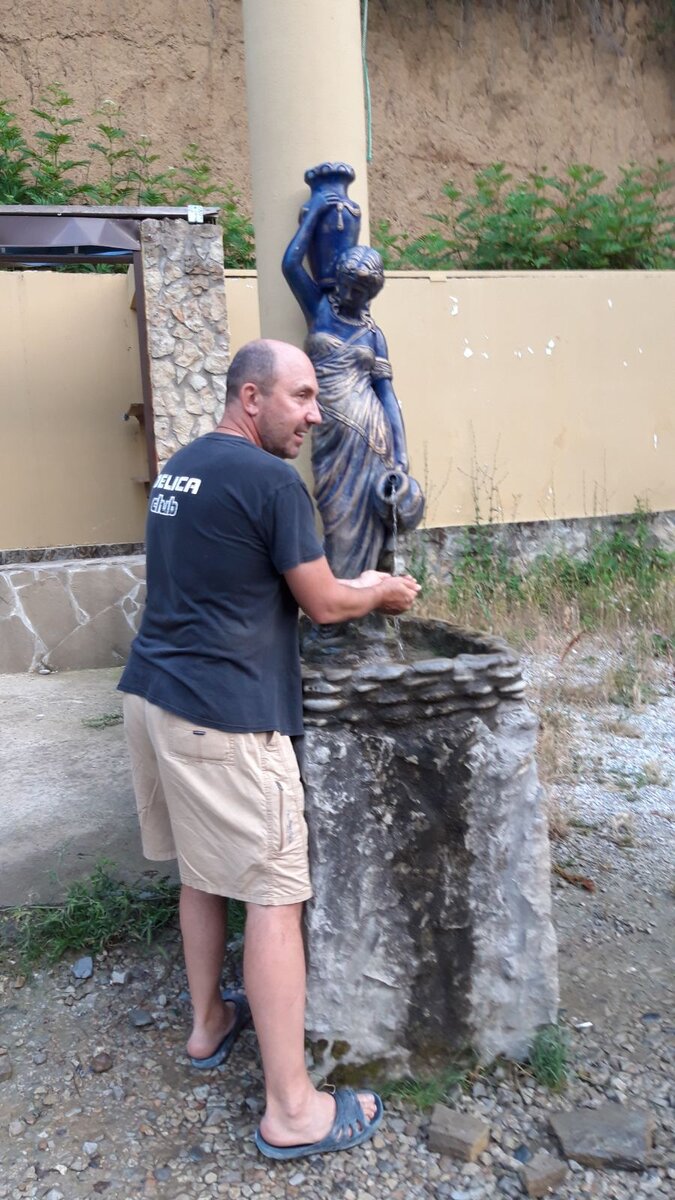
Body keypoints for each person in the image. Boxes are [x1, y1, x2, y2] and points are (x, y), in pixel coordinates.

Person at [118, 338, 420, 1162]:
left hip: (151, 696)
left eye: (316, 398)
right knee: (275, 896)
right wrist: (380, 591)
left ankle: (208, 1023)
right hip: (224, 718)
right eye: (301, 397)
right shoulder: (272, 482)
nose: (315, 415)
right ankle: (293, 1110)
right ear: (250, 398)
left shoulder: (183, 466)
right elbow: (322, 603)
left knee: (200, 872)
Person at [283, 199, 423, 579]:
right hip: (330, 436)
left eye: (359, 292)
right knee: (338, 524)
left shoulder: (374, 335)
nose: (349, 296)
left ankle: (368, 604)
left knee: (374, 525)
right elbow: (290, 265)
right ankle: (341, 606)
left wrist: (401, 453)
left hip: (372, 436)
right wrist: (315, 214)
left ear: (370, 294)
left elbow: (386, 394)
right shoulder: (319, 308)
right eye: (346, 286)